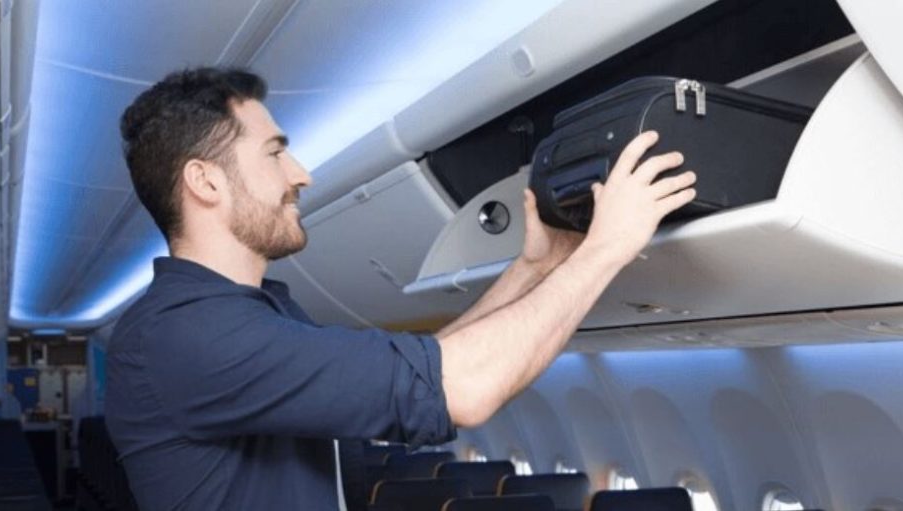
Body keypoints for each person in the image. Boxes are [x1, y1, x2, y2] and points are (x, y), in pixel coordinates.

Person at [105, 67, 696, 510]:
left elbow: (426, 373)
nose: (301, 174)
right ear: (204, 180)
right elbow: (459, 389)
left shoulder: (263, 312)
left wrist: (532, 268)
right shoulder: (184, 334)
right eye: (276, 153)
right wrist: (607, 247)